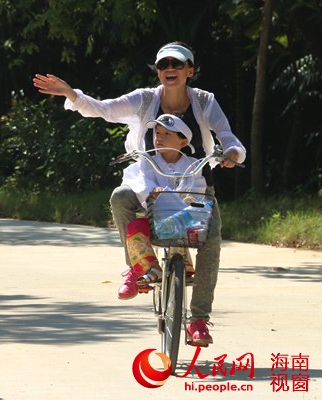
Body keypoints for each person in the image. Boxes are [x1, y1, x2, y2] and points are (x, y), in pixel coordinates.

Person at [33, 41, 247, 347]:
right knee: (121, 197)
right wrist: (71, 94)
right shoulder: (145, 99)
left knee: (210, 240)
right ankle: (141, 266)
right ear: (157, 71)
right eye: (163, 65)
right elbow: (105, 109)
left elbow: (227, 137)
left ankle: (198, 320)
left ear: (190, 70)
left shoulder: (204, 101)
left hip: (194, 182)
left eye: (177, 64)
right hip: (150, 181)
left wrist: (233, 154)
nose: (169, 70)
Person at [117, 114, 206, 302]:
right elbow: (138, 180)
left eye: (167, 134)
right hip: (156, 217)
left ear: (183, 142)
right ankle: (149, 268)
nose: (159, 137)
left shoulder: (192, 164)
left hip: (182, 219)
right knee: (134, 227)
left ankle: (184, 265)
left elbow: (197, 187)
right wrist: (152, 190)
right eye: (157, 132)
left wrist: (187, 197)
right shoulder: (148, 161)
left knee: (187, 220)